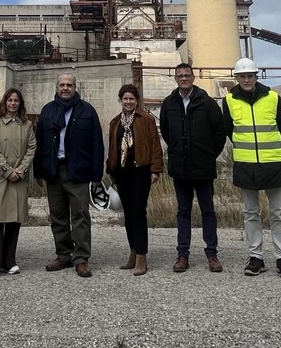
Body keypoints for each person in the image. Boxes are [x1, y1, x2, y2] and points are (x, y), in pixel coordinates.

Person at [225, 58, 281, 279]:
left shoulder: (273, 97)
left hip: (272, 163)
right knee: (250, 213)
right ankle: (256, 257)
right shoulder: (229, 100)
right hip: (246, 164)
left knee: (278, 213)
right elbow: (229, 130)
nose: (246, 80)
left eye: (250, 76)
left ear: (256, 76)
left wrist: (270, 150)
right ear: (237, 78)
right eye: (242, 76)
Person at [158, 61, 227, 273]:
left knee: (208, 211)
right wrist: (177, 150)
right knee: (183, 212)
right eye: (180, 75)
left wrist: (208, 155)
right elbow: (167, 132)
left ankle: (212, 254)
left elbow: (219, 132)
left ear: (193, 77)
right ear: (175, 78)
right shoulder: (169, 103)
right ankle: (182, 255)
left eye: (187, 75)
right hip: (180, 167)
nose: (184, 78)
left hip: (203, 168)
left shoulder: (207, 102)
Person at [35, 73, 104, 278]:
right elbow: (40, 143)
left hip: (78, 171)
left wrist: (96, 174)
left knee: (80, 215)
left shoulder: (87, 111)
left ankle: (81, 258)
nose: (65, 88)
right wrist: (39, 171)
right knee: (58, 216)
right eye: (62, 85)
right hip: (53, 170)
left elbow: (96, 143)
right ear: (56, 87)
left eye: (69, 85)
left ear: (75, 87)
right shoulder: (47, 111)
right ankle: (63, 254)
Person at [105, 83, 163, 276]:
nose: (128, 102)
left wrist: (155, 169)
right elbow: (112, 147)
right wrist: (111, 170)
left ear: (137, 101)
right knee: (128, 213)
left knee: (138, 212)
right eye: (125, 99)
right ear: (120, 101)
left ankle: (141, 256)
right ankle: (133, 251)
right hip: (122, 173)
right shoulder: (115, 122)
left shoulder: (145, 119)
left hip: (141, 171)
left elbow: (155, 144)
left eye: (131, 98)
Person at [0, 88, 36, 279]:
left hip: (19, 177)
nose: (13, 103)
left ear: (20, 104)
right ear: (5, 102)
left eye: (16, 100)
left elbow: (31, 148)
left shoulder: (27, 125)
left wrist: (21, 170)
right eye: (10, 100)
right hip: (0, 176)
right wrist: (7, 170)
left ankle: (8, 261)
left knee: (14, 218)